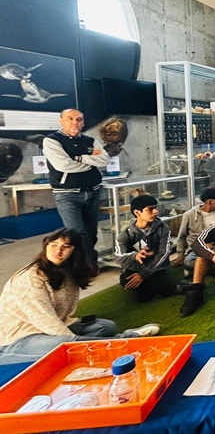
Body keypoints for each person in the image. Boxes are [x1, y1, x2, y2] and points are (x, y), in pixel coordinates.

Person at [0, 229, 160, 365]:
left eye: (66, 246)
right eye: (53, 244)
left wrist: (76, 338)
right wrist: (73, 342)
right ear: (46, 245)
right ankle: (127, 340)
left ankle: (86, 345)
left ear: (74, 250)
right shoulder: (30, 278)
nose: (58, 250)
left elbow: (62, 315)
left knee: (105, 327)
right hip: (15, 340)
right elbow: (45, 321)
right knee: (63, 343)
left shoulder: (66, 271)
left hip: (49, 330)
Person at [43, 108, 110, 276]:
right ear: (61, 121)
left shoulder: (90, 140)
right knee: (77, 232)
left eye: (79, 119)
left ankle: (82, 262)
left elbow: (104, 159)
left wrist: (79, 158)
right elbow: (63, 165)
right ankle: (89, 265)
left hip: (93, 192)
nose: (75, 122)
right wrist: (91, 161)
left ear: (83, 122)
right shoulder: (52, 141)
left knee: (91, 232)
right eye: (70, 118)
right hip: (67, 195)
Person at [114, 195, 175, 302]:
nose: (155, 212)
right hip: (136, 269)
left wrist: (144, 274)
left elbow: (164, 253)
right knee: (126, 281)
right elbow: (118, 257)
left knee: (163, 287)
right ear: (137, 212)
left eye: (155, 208)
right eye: (150, 209)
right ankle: (153, 286)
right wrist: (134, 256)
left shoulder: (163, 228)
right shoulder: (126, 234)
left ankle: (153, 285)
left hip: (156, 269)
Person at [173, 187, 215, 273]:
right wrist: (180, 254)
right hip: (196, 250)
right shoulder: (189, 215)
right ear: (210, 202)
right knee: (188, 262)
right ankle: (212, 267)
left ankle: (199, 269)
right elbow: (182, 236)